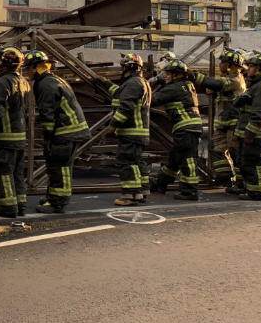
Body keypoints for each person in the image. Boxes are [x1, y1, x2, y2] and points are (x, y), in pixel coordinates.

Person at [23, 50, 91, 214]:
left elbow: (48, 116)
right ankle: (53, 197)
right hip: (71, 130)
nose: (27, 72)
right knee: (59, 166)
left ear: (36, 67)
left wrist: (47, 139)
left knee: (59, 167)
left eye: (28, 68)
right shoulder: (53, 80)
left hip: (65, 132)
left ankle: (58, 202)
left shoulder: (44, 85)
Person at [0, 47, 31, 217]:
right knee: (16, 174)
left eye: (1, 59)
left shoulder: (2, 83)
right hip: (19, 138)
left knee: (2, 172)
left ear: (6, 63)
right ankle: (20, 205)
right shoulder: (23, 82)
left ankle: (7, 207)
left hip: (4, 139)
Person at [98, 53, 152, 207]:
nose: (122, 69)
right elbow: (120, 93)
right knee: (136, 162)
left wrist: (113, 125)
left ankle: (130, 195)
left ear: (128, 67)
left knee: (127, 163)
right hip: (138, 133)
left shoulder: (133, 83)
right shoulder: (139, 82)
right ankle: (141, 192)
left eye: (123, 66)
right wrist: (106, 83)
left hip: (131, 132)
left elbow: (126, 106)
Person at [191, 50, 247, 187]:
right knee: (215, 148)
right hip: (224, 124)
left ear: (231, 66)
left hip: (234, 124)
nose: (220, 64)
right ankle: (224, 176)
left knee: (235, 153)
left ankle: (241, 183)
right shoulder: (228, 78)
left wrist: (193, 76)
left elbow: (218, 84)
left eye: (222, 62)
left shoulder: (235, 79)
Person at [150, 60, 202, 201]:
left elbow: (151, 100)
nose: (165, 76)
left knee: (187, 160)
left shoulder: (173, 88)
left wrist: (148, 85)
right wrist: (163, 81)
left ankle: (189, 191)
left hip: (185, 128)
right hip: (190, 127)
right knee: (174, 158)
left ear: (177, 74)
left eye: (168, 74)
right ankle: (161, 183)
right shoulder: (187, 85)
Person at [233, 52, 261, 201]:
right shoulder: (255, 85)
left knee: (254, 164)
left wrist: (250, 134)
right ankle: (250, 190)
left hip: (257, 136)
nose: (248, 69)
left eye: (251, 66)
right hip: (251, 134)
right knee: (246, 163)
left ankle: (257, 193)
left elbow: (260, 114)